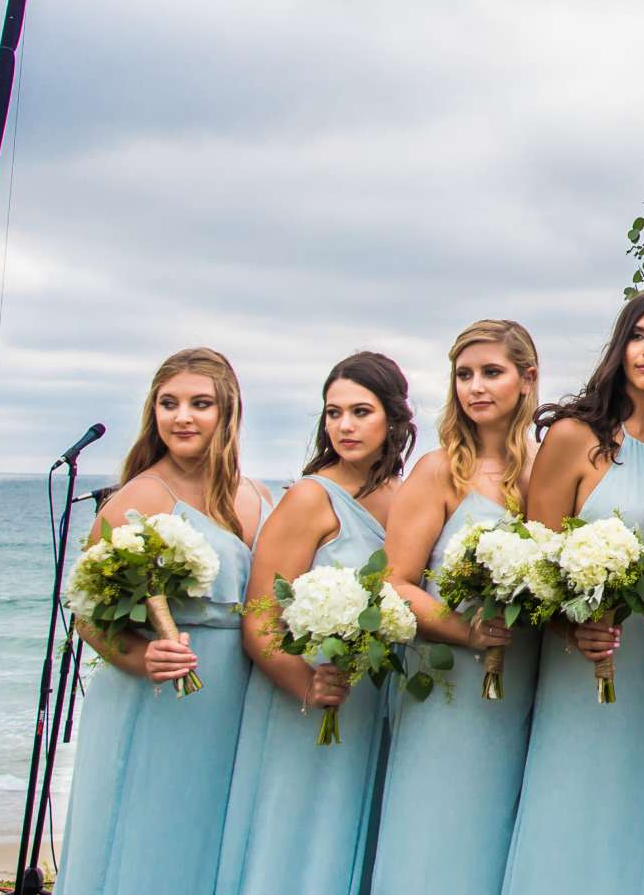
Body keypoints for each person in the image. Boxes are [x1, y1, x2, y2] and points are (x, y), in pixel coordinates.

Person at [502, 292, 644, 895]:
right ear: (620, 348)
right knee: (580, 812)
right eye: (638, 335)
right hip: (585, 662)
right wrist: (572, 628)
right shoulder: (573, 437)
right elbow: (534, 568)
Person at [58, 348, 273, 894]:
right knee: (152, 839)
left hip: (238, 698)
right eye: (168, 403)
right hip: (158, 701)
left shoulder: (258, 494)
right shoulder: (142, 496)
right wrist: (138, 655)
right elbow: (85, 609)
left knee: (216, 840)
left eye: (200, 404)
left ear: (228, 412)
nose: (183, 417)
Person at [216, 351, 415, 895]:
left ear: (394, 419)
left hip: (377, 702)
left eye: (360, 411)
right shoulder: (310, 497)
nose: (345, 426)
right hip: (308, 702)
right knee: (300, 839)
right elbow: (259, 618)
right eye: (333, 413)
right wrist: (308, 684)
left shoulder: (406, 499)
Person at [373, 319, 544, 895]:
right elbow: (395, 584)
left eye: (491, 373)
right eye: (464, 375)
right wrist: (467, 635)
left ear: (527, 379)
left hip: (531, 680)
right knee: (439, 828)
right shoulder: (440, 469)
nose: (475, 387)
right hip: (448, 685)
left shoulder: (546, 471)